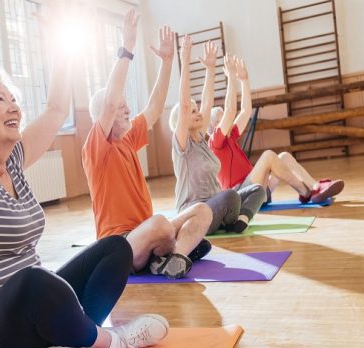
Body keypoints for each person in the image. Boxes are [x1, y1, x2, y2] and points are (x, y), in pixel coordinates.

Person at [0, 1, 168, 348]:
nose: (15, 105)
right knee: (33, 282)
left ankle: (80, 339)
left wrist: (59, 37)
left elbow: (57, 108)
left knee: (116, 249)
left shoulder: (14, 161)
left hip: (29, 320)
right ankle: (111, 342)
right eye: (1, 100)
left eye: (15, 99)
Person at [83, 11, 213, 281]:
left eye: (125, 103)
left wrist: (167, 62)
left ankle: (173, 257)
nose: (128, 109)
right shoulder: (97, 148)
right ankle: (167, 254)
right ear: (104, 117)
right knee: (161, 225)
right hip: (118, 246)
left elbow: (154, 108)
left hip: (148, 232)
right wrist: (127, 49)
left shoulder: (128, 138)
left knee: (202, 211)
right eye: (121, 107)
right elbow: (109, 101)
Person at [207, 55, 344, 204]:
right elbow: (231, 110)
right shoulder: (215, 143)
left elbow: (245, 111)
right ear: (215, 126)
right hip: (241, 195)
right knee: (268, 156)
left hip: (257, 189)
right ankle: (306, 192)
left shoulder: (230, 136)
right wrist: (231, 78)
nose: (229, 120)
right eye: (223, 118)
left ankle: (315, 186)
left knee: (284, 156)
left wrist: (244, 80)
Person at [169, 36, 266, 235]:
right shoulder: (182, 145)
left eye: (196, 111)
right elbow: (185, 102)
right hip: (194, 213)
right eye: (191, 111)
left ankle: (239, 221)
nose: (197, 113)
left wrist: (211, 70)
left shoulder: (202, 140)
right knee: (230, 196)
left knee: (258, 190)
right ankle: (229, 219)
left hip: (217, 205)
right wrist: (185, 60)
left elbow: (207, 100)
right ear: (181, 121)